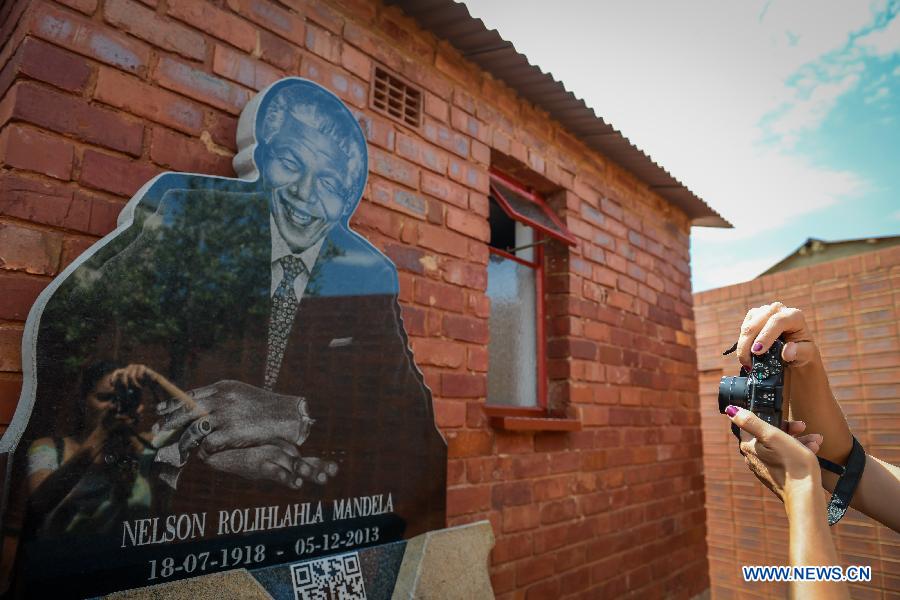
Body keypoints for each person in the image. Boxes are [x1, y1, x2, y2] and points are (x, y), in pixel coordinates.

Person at [5, 78, 446, 594]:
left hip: (294, 547)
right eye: (291, 162)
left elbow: (410, 425)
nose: (305, 193)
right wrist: (196, 443)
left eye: (329, 183)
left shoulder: (368, 273)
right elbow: (83, 345)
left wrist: (297, 414)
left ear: (348, 198)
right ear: (261, 158)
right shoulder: (187, 214)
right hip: (154, 539)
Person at [26, 362, 175, 536]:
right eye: (105, 398)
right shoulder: (49, 449)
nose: (114, 406)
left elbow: (205, 422)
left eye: (122, 398)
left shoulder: (143, 450)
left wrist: (156, 380)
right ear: (83, 400)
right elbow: (39, 503)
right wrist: (101, 434)